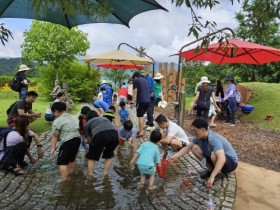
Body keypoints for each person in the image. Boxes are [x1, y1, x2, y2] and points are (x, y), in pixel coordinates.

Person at [170, 118, 238, 189]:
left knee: (214, 154)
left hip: (230, 164)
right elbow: (188, 147)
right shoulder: (199, 137)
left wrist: (212, 177)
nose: (193, 133)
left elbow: (222, 159)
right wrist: (175, 156)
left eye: (195, 131)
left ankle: (218, 174)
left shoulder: (214, 139)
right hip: (219, 160)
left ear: (202, 130)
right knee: (194, 148)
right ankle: (211, 170)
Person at [50, 102, 81, 181]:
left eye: (54, 112)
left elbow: (54, 136)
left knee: (62, 162)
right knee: (72, 158)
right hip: (77, 139)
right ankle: (71, 173)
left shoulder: (57, 121)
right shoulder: (74, 118)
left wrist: (53, 148)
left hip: (68, 141)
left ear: (56, 111)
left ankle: (64, 181)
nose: (54, 114)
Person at [84, 110, 119, 179]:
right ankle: (105, 175)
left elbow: (90, 141)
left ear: (88, 118)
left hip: (100, 135)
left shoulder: (87, 124)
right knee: (108, 155)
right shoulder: (104, 118)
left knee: (91, 157)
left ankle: (90, 176)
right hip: (114, 134)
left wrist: (86, 141)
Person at [132, 71, 151, 138]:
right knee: (142, 115)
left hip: (141, 101)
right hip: (148, 101)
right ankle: (141, 130)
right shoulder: (145, 80)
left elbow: (135, 91)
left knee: (140, 116)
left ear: (135, 77)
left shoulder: (136, 81)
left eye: (133, 79)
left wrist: (132, 102)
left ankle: (141, 133)